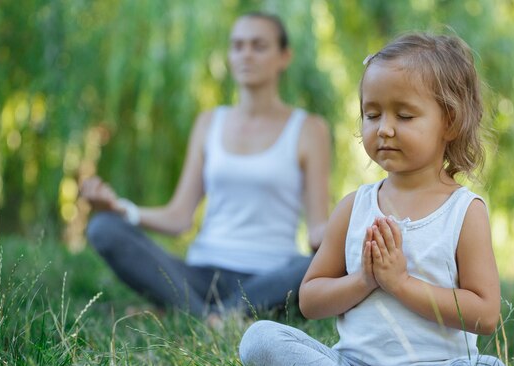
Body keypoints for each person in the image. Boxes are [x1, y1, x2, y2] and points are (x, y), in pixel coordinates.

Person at [239, 32, 513, 366]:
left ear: (449, 122)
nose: (384, 128)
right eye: (372, 114)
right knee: (258, 339)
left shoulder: (463, 211)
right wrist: (365, 280)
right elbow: (311, 299)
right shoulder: (355, 207)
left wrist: (400, 284)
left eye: (404, 115)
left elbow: (485, 315)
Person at [79, 12, 331, 319]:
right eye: (237, 46)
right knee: (104, 227)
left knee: (310, 268)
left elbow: (318, 227)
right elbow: (179, 216)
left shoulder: (309, 128)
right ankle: (217, 318)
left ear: (284, 56)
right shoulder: (209, 122)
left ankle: (191, 313)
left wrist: (345, 236)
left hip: (270, 277)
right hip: (200, 276)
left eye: (258, 46)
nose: (246, 54)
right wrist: (121, 209)